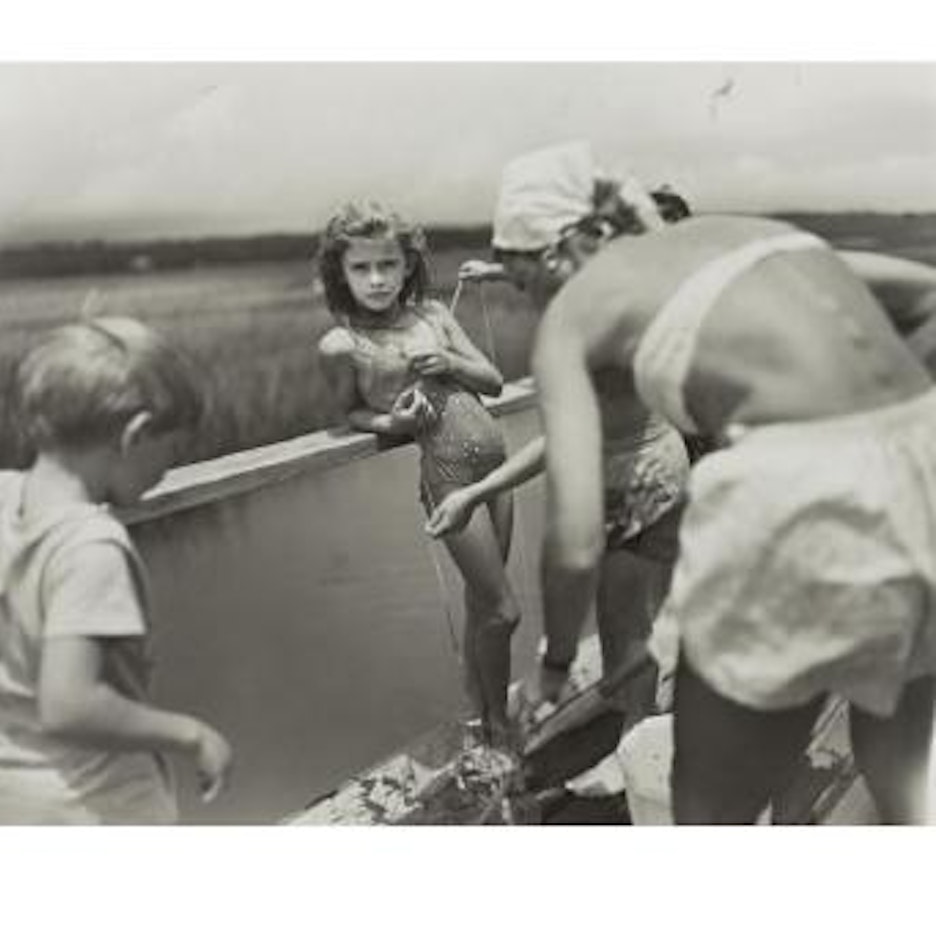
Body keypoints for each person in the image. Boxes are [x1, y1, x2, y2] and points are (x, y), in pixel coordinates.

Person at [497, 140, 936, 824]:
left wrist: (553, 667)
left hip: (790, 486)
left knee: (704, 814)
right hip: (921, 456)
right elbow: (930, 298)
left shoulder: (574, 314)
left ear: (559, 251)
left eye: (523, 282)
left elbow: (577, 540)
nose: (534, 303)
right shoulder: (752, 236)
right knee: (901, 758)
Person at [425, 184, 695, 733]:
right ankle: (650, 724)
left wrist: (473, 493)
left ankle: (636, 744)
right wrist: (494, 271)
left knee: (627, 631)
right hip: (633, 476)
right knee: (635, 619)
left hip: (642, 481)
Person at [0, 317, 233, 825]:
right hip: (93, 805)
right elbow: (70, 706)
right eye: (172, 450)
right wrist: (192, 734)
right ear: (135, 434)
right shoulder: (90, 548)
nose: (168, 471)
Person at [316, 201, 522, 750]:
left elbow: (495, 381)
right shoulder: (343, 344)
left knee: (485, 605)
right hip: (449, 477)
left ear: (409, 265)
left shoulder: (433, 315)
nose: (377, 279)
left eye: (388, 264)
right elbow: (350, 415)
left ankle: (480, 718)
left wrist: (450, 362)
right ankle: (501, 728)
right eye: (361, 268)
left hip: (496, 467)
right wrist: (393, 420)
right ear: (340, 273)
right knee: (505, 611)